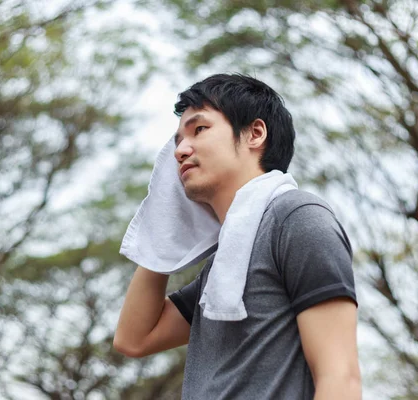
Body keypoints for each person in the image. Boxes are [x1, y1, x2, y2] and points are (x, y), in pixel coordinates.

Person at [114, 74, 361, 399]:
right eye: (176, 142)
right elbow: (134, 338)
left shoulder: (296, 218)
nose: (180, 151)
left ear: (255, 133)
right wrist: (164, 227)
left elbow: (340, 377)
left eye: (199, 129)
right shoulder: (224, 269)